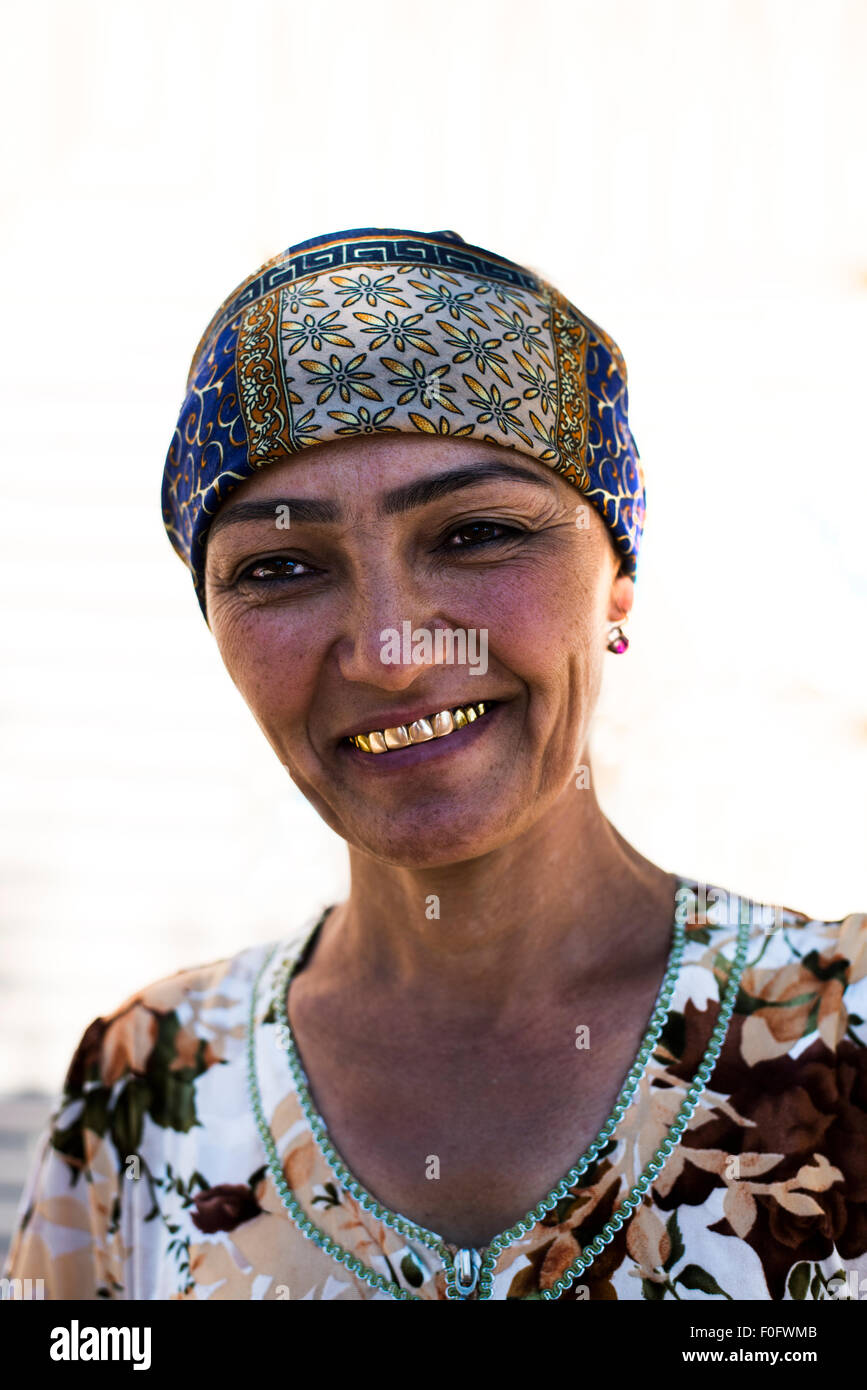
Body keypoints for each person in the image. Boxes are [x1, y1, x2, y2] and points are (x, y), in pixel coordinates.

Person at [3, 227, 865, 1302]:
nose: (389, 653)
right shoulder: (147, 1091)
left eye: (476, 535)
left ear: (616, 586)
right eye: (279, 566)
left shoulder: (844, 1035)